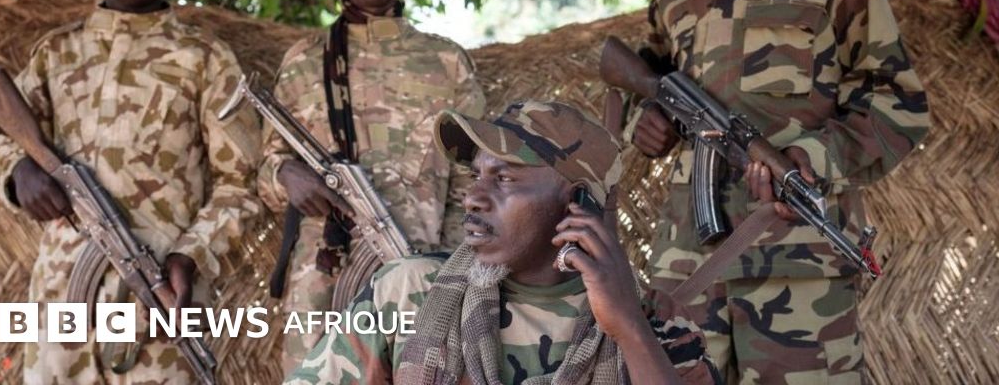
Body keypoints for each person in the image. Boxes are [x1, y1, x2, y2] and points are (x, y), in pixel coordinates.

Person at [627, 0, 931, 382]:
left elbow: (899, 104)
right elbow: (649, 79)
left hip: (797, 268)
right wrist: (646, 121)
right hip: (687, 266)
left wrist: (810, 158)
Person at [0, 0, 263, 383]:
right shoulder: (56, 53)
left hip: (157, 302)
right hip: (61, 299)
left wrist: (190, 255)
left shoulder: (205, 59)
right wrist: (19, 171)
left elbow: (241, 184)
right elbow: (8, 139)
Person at [285, 100, 719, 384]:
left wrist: (628, 327)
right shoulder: (408, 291)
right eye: (476, 175)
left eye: (505, 178)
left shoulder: (658, 326)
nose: (473, 196)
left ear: (577, 203)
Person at [257, 0, 486, 372]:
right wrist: (285, 175)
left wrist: (447, 270)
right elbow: (267, 168)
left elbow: (475, 180)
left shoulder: (446, 62)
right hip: (322, 286)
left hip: (422, 279)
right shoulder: (304, 62)